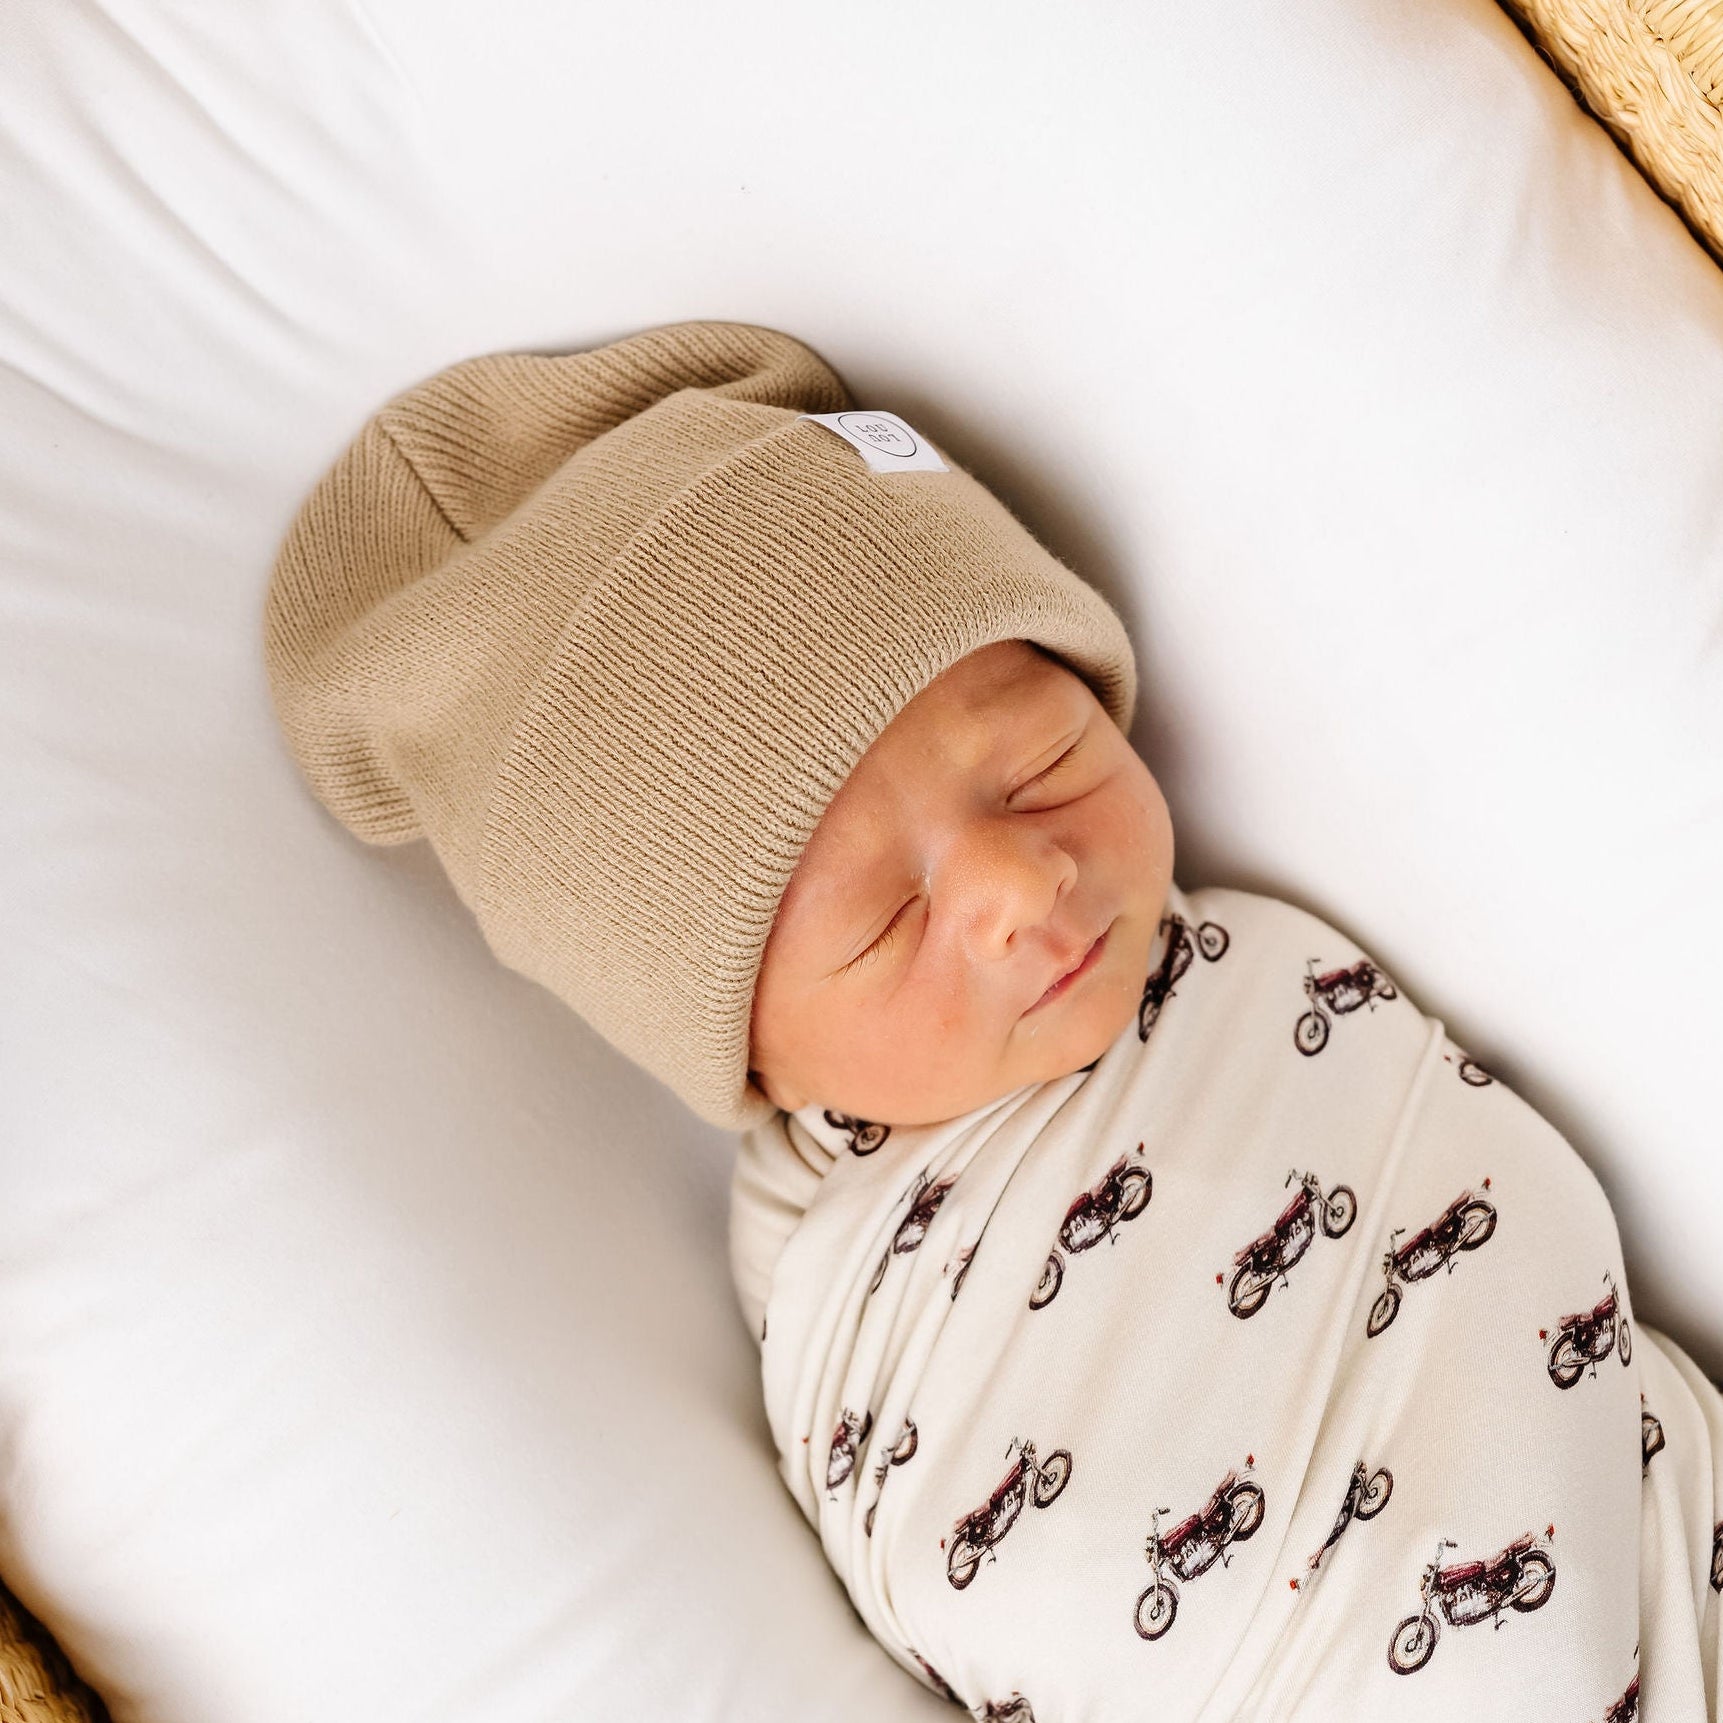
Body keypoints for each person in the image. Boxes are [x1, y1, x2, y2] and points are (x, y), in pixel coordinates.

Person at [264, 319, 1722, 1720]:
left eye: (1041, 763)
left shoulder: (1255, 981)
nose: (1026, 882)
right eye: (884, 923)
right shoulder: (858, 1319)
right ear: (751, 1058)